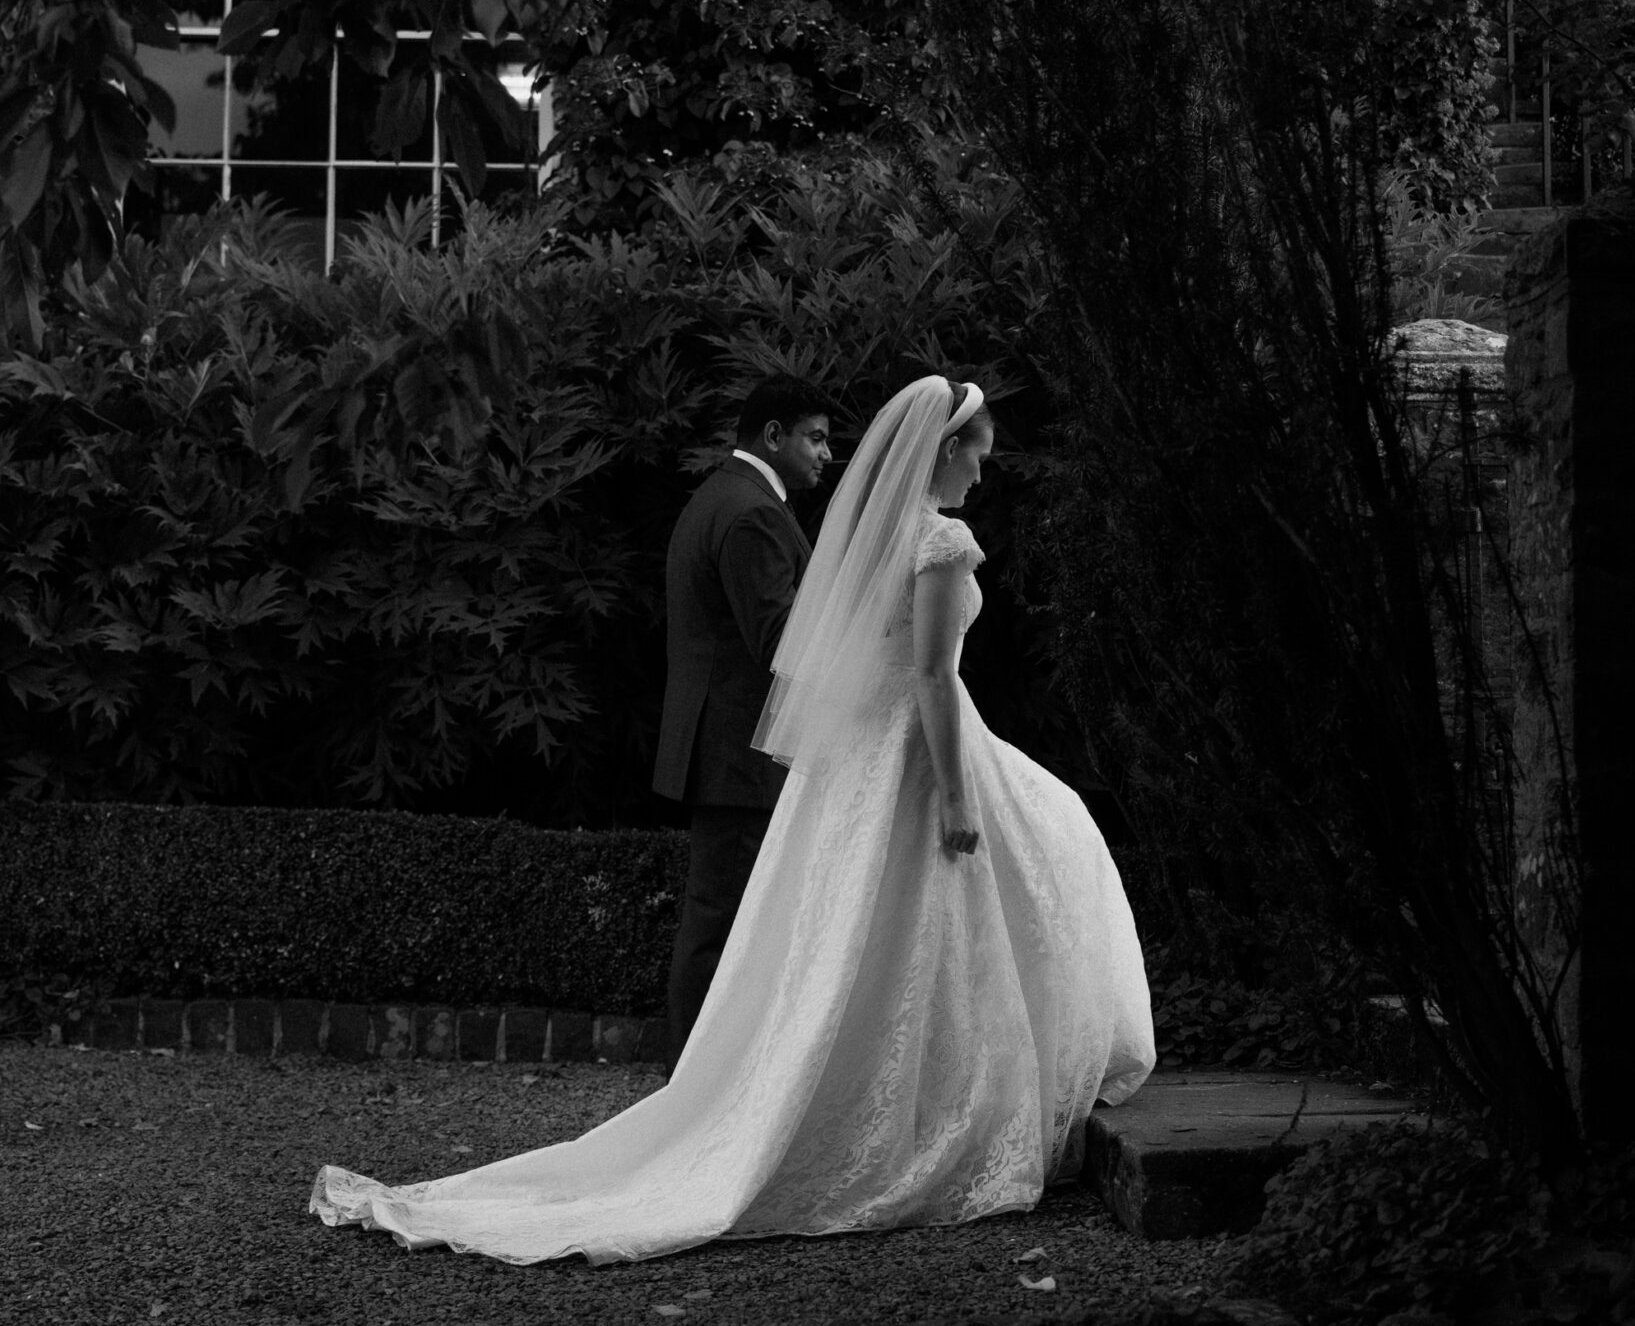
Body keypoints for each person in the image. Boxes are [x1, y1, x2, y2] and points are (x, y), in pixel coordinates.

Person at [309, 375, 1154, 1263]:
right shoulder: (894, 533)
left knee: (824, 934)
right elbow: (892, 665)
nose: (985, 469)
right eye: (980, 451)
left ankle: (752, 1085)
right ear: (946, 447)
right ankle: (747, 1090)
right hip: (844, 747)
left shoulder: (827, 524)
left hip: (856, 752)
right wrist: (951, 789)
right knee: (780, 924)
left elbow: (847, 643)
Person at [653, 376, 834, 1066]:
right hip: (739, 750)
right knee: (721, 924)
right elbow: (781, 639)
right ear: (774, 435)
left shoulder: (721, 495)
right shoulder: (754, 512)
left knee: (722, 922)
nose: (826, 453)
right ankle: (690, 1088)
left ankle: (699, 1084)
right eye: (815, 437)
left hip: (728, 746)